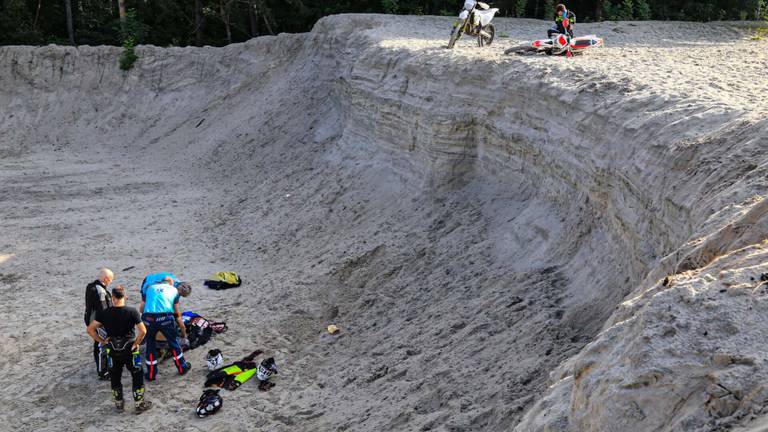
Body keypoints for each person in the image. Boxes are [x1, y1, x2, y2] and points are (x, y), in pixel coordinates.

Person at [87, 285, 153, 413]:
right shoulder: (132, 311)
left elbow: (90, 329)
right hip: (130, 349)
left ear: (112, 298)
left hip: (112, 349)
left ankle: (119, 404)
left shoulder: (104, 313)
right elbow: (143, 331)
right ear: (125, 296)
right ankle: (139, 404)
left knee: (115, 376)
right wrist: (137, 343)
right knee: (137, 374)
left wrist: (102, 341)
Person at [141, 276, 191, 380]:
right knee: (173, 343)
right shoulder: (174, 290)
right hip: (165, 318)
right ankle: (182, 368)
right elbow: (176, 312)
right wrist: (182, 329)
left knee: (150, 345)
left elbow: (142, 308)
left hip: (148, 318)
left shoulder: (150, 288)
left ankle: (151, 374)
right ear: (170, 284)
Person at [84, 268, 114, 380]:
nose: (110, 282)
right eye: (110, 279)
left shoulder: (90, 287)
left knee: (98, 344)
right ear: (106, 278)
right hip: (99, 323)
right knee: (102, 346)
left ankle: (102, 369)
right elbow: (103, 310)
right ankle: (103, 372)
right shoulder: (101, 291)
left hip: (92, 321)